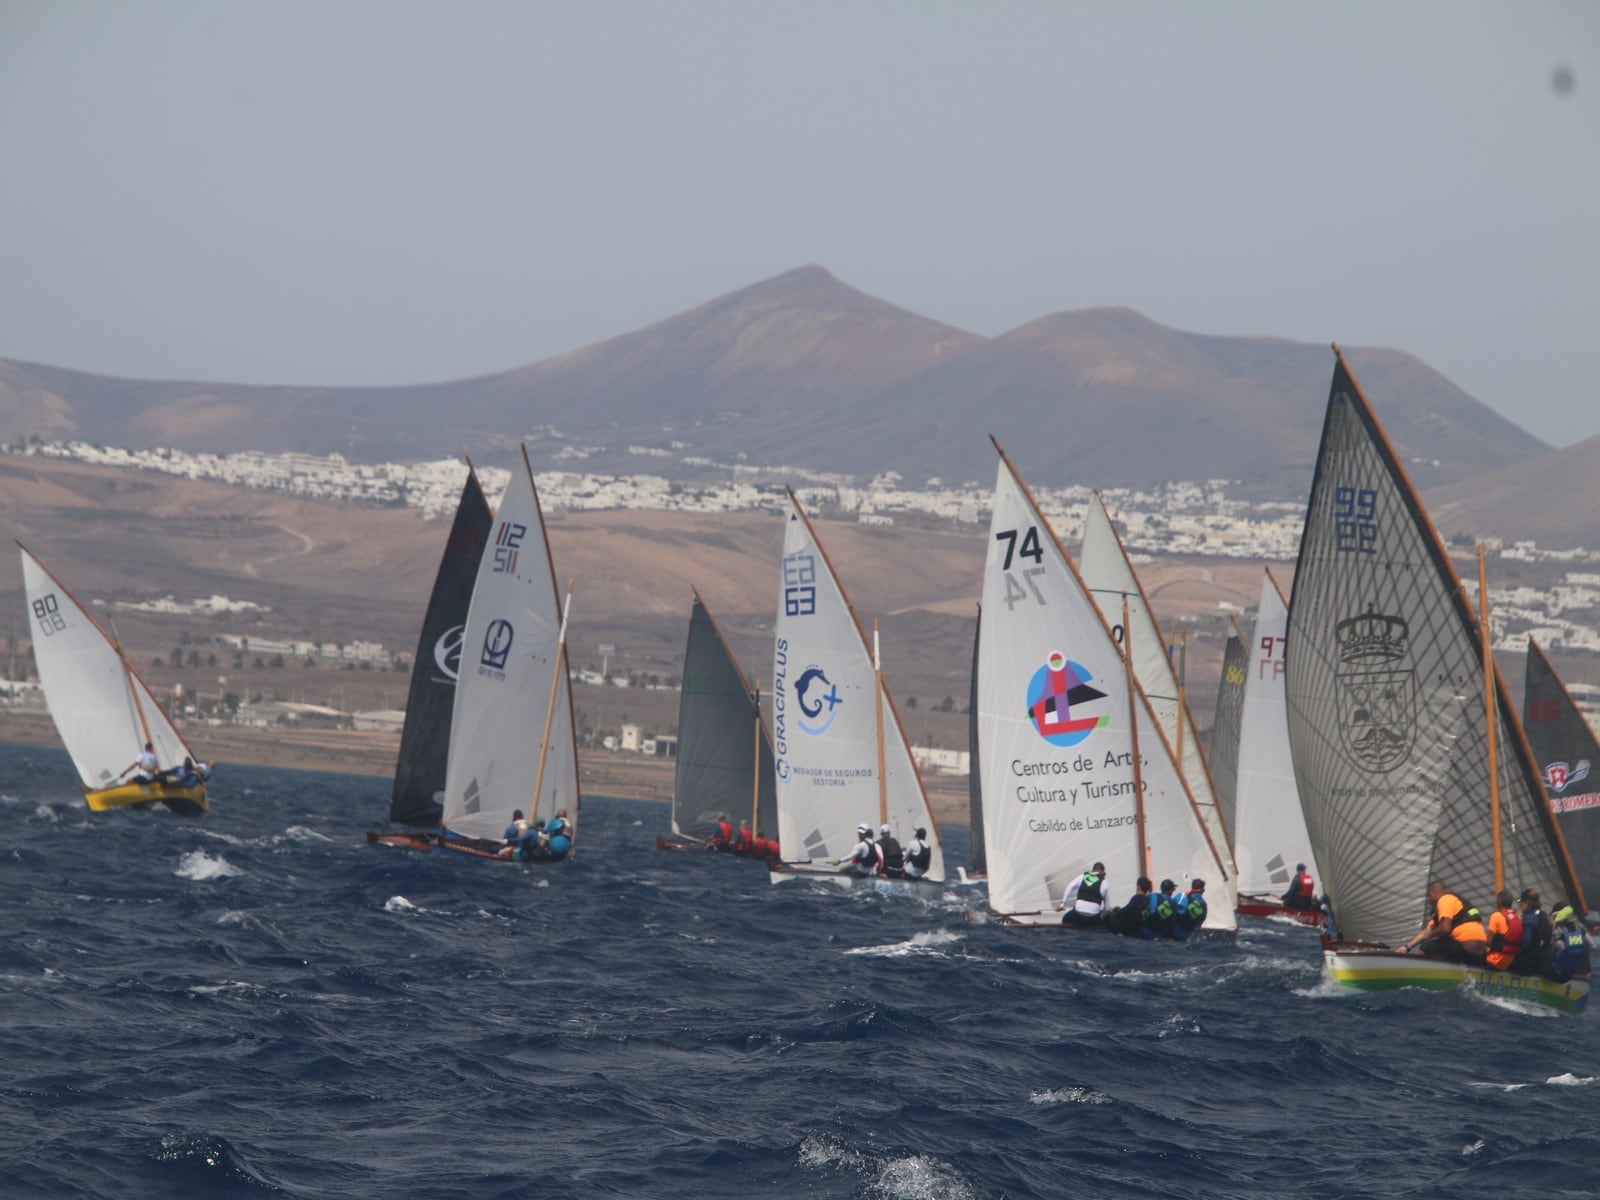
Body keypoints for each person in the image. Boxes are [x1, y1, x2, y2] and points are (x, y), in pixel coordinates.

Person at [1398, 880, 1488, 964]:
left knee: (1426, 947)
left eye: (1429, 896)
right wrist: (1406, 947)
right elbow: (1425, 932)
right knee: (1444, 944)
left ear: (1432, 893)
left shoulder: (1444, 899)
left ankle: (1426, 974)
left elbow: (1445, 928)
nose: (1429, 900)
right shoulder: (1455, 902)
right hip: (1479, 953)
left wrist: (1430, 935)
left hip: (1465, 947)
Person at [1543, 904, 1594, 983]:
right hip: (1574, 973)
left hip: (1556, 972)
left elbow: (1556, 948)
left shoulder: (1558, 931)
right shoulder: (1580, 928)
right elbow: (1592, 946)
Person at [1510, 888, 1552, 975]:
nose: (1520, 906)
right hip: (1541, 960)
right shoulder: (1543, 914)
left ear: (1527, 903)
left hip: (1528, 963)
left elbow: (1526, 943)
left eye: (1522, 903)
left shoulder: (1530, 918)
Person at [1057, 861, 1109, 927]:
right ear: (1102, 872)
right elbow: (1106, 909)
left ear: (1092, 870)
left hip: (1078, 915)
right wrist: (1102, 918)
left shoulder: (1082, 877)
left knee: (1066, 918)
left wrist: (1062, 904)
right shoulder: (1105, 883)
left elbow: (1070, 887)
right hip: (1093, 918)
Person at [1484, 889, 1524, 971]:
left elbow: (1488, 941)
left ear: (1498, 902)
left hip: (1495, 959)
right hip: (1510, 960)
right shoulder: (1518, 917)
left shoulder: (1496, 916)